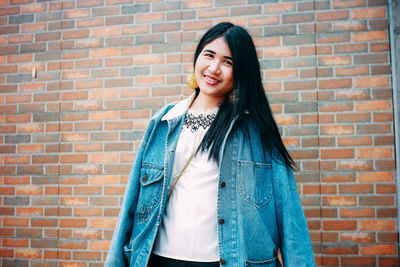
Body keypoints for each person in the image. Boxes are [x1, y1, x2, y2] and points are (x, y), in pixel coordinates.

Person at [105, 22, 315, 267]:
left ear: (242, 72)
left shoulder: (255, 131)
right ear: (197, 57)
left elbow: (291, 220)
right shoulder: (164, 121)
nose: (214, 68)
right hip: (160, 259)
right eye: (209, 55)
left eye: (228, 62)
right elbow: (132, 204)